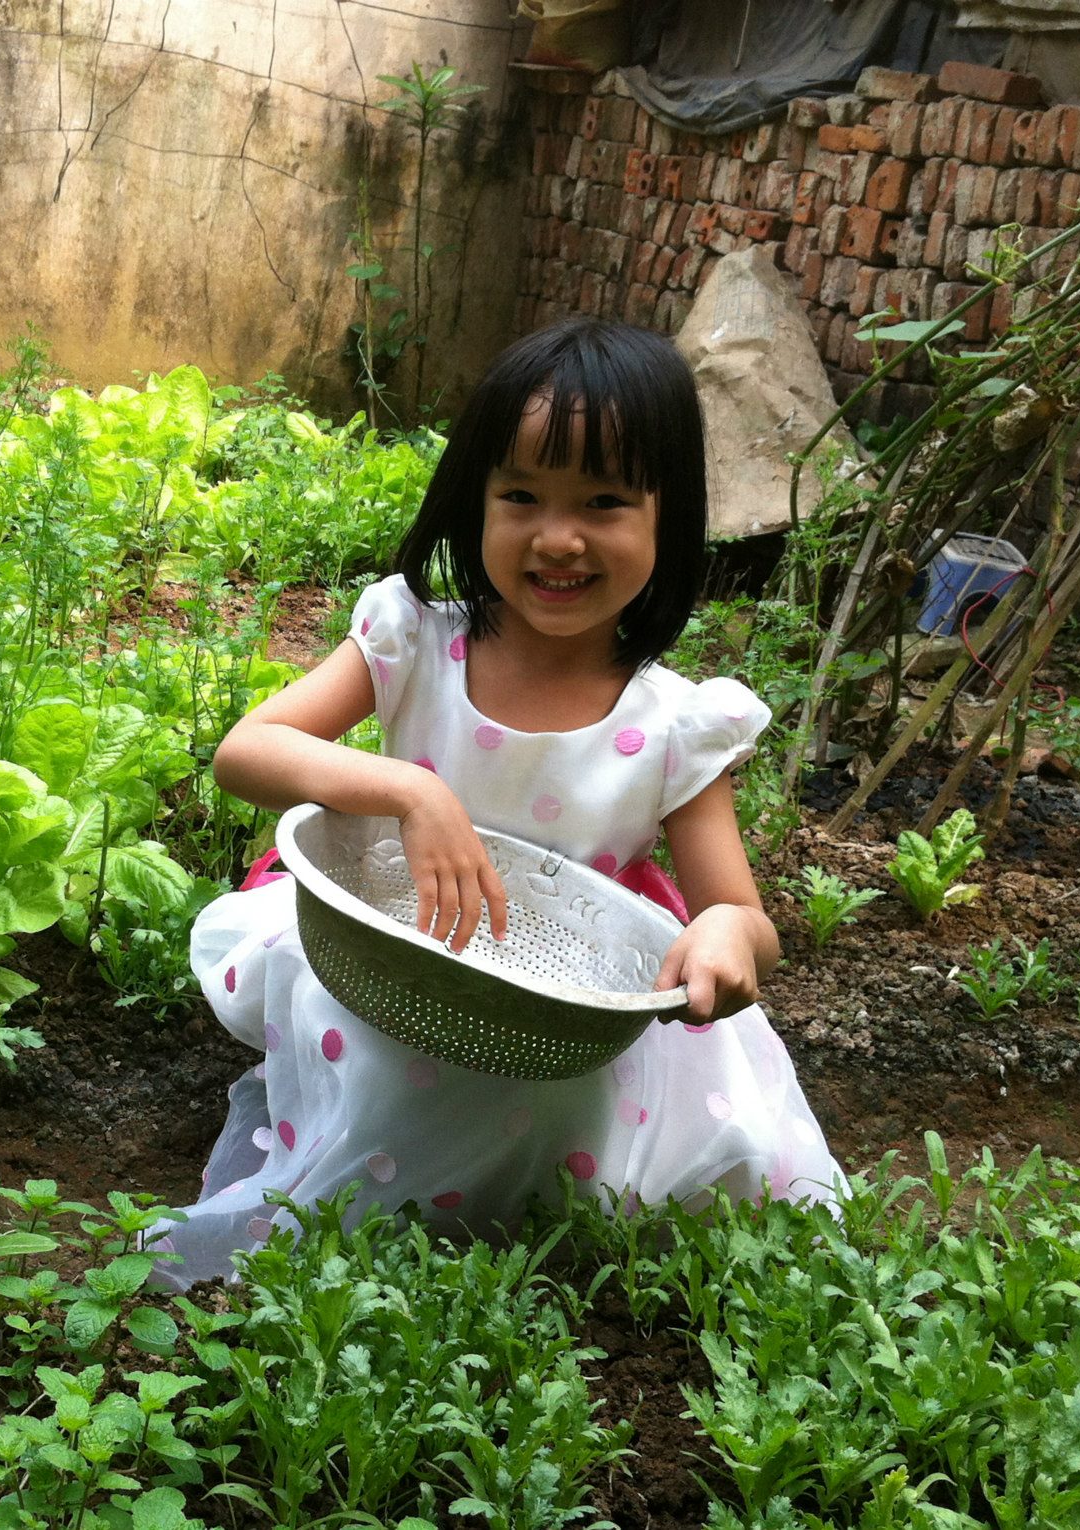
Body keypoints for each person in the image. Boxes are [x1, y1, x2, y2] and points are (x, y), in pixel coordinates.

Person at [148, 317, 843, 1288]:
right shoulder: (413, 645)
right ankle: (385, 1160)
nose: (556, 538)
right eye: (519, 496)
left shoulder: (677, 726)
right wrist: (405, 786)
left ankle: (476, 1194)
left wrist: (725, 937)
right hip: (398, 963)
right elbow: (247, 753)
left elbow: (742, 916)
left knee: (557, 1123)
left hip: (565, 1020)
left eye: (602, 502)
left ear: (666, 516)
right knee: (388, 1077)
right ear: (473, 499)